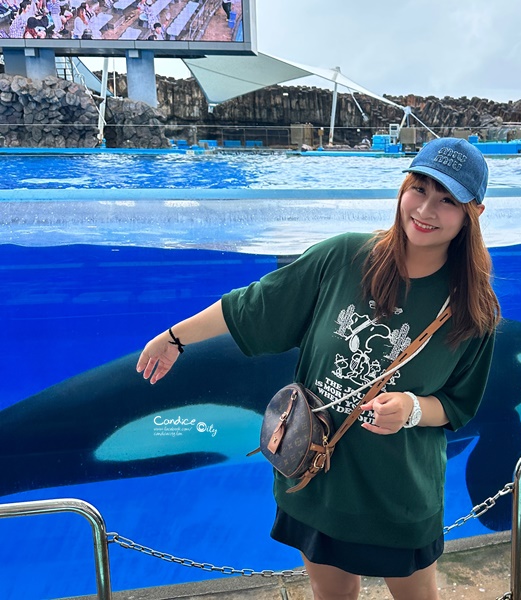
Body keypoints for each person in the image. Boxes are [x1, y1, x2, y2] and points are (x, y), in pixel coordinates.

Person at [136, 137, 500, 600]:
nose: (426, 209)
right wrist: (174, 338)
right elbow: (255, 305)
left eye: (447, 200)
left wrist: (411, 409)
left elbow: (457, 404)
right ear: (403, 188)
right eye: (420, 188)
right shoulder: (344, 257)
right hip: (315, 478)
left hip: (398, 493)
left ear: (474, 213)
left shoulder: (472, 309)